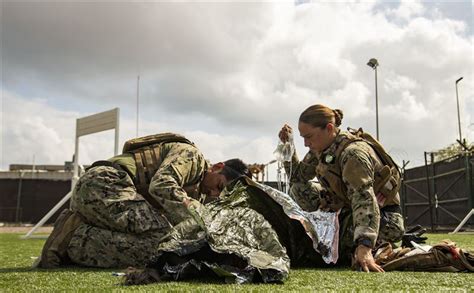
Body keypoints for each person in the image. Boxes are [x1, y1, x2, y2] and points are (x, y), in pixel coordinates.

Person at [37, 132, 250, 268]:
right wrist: (205, 221)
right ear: (218, 167)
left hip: (103, 193)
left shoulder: (197, 192)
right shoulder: (192, 157)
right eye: (219, 186)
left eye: (219, 195)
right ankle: (73, 239)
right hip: (106, 183)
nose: (214, 194)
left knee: (165, 246)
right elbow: (162, 185)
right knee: (163, 243)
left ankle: (79, 233)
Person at [278, 104, 405, 272]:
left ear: (329, 128)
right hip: (346, 211)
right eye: (302, 138)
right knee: (298, 189)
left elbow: (364, 199)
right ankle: (332, 234)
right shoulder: (322, 148)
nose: (306, 143)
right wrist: (287, 146)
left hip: (384, 219)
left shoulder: (353, 154)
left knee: (326, 246)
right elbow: (297, 177)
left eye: (309, 137)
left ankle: (364, 244)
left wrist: (364, 247)